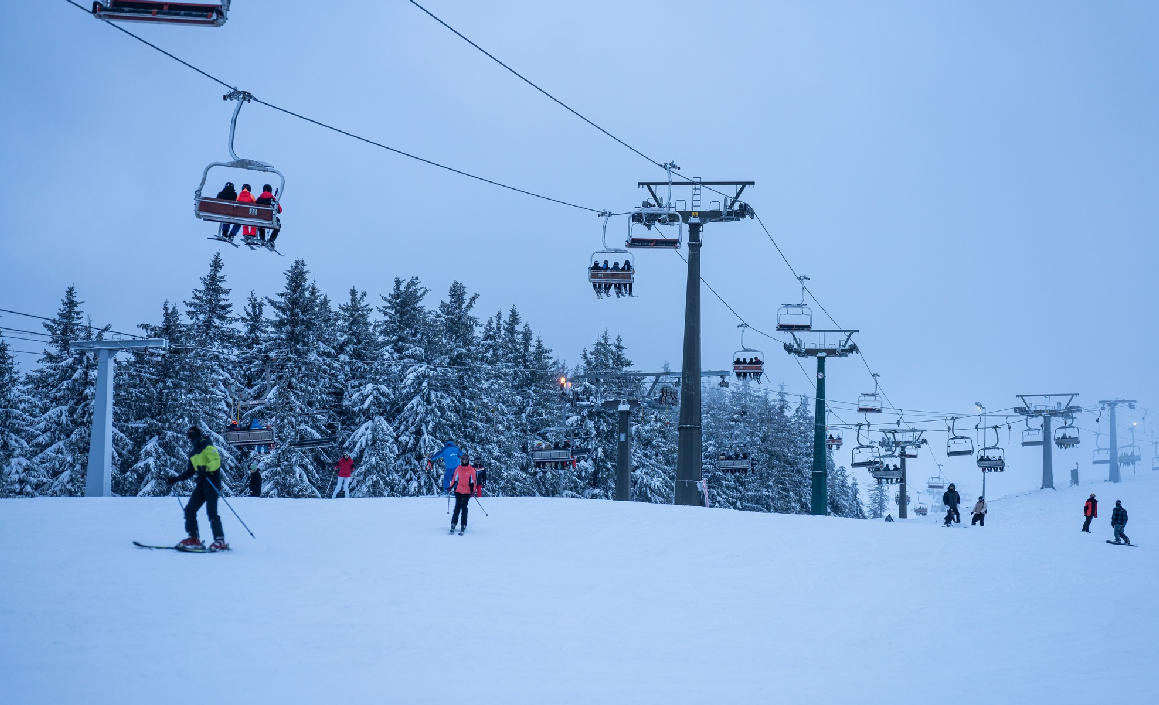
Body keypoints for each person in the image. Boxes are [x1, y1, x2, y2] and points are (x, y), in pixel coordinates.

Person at [165, 426, 228, 551]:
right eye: (189, 437)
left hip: (212, 484)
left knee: (211, 512)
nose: (190, 439)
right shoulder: (193, 453)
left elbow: (216, 462)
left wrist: (206, 468)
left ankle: (219, 540)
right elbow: (190, 471)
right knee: (190, 510)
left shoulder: (208, 447)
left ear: (197, 435)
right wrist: (176, 479)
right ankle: (193, 538)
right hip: (201, 485)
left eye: (192, 436)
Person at [449, 454, 477, 534]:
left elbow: (473, 481)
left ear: (468, 460)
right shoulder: (458, 468)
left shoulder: (471, 470)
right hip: (458, 490)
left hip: (467, 492)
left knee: (464, 507)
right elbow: (455, 479)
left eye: (465, 459)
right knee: (457, 507)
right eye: (462, 459)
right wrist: (451, 486)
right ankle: (453, 523)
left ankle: (463, 524)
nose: (463, 460)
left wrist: (473, 491)